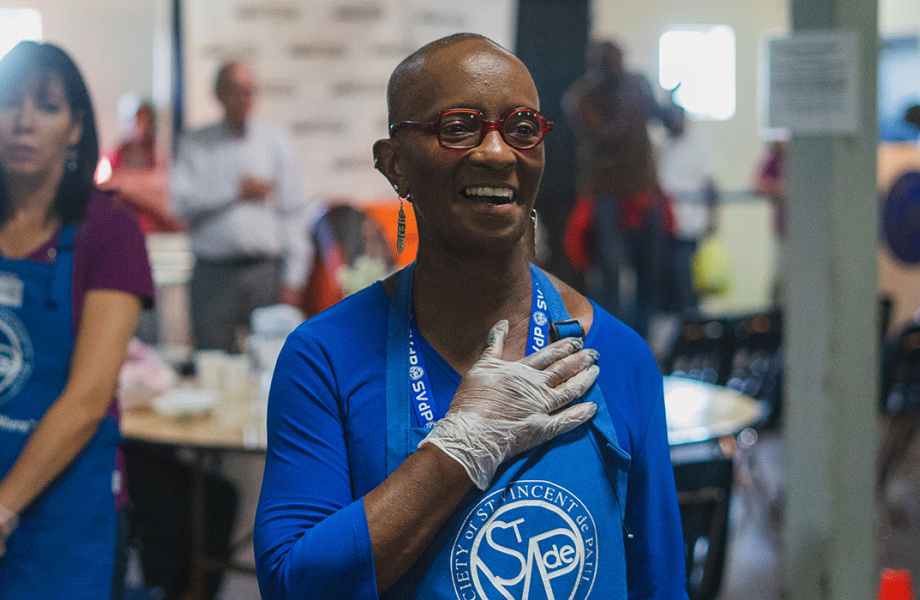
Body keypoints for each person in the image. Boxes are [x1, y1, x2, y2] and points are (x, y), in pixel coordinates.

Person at [254, 33, 687, 599]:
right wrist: (457, 451)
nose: (497, 152)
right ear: (395, 165)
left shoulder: (619, 358)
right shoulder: (326, 358)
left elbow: (660, 588)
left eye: (522, 128)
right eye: (458, 127)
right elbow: (292, 585)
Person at [0, 41, 154, 598]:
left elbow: (88, 400)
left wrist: (3, 507)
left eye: (45, 106)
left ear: (74, 128)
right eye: (7, 102)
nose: (21, 121)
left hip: (61, 513)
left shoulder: (109, 234)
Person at [171, 60, 312, 352]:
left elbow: (293, 215)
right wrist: (235, 191)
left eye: (250, 90)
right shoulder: (195, 144)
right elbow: (179, 204)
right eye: (235, 90)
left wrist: (293, 279)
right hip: (213, 275)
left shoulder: (275, 144)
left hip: (265, 274)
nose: (244, 98)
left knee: (271, 365)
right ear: (219, 94)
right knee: (212, 364)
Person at [563, 40, 678, 339]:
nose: (616, 67)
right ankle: (612, 340)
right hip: (606, 195)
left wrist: (672, 105)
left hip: (644, 193)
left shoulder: (638, 86)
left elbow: (671, 124)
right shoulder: (580, 96)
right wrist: (631, 101)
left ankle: (643, 342)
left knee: (649, 272)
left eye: (618, 60)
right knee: (610, 274)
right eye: (608, 61)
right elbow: (604, 138)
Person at [655, 104, 720, 313]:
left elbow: (712, 184)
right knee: (663, 284)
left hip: (689, 226)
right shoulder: (662, 145)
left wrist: (713, 219)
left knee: (685, 282)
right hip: (663, 227)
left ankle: (693, 322)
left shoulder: (699, 146)